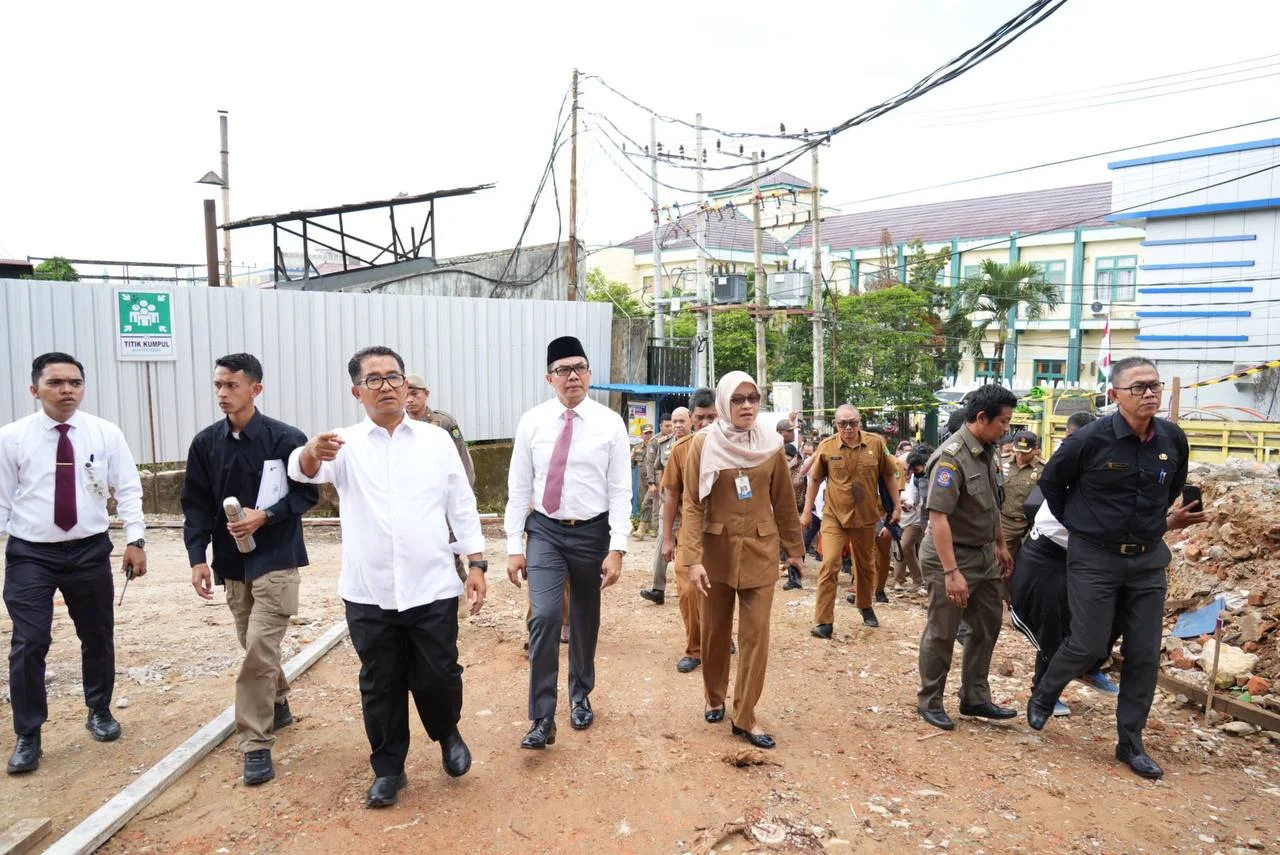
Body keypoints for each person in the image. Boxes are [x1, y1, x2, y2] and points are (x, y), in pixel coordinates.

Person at [288, 346, 486, 808]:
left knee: (438, 674)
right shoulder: (343, 444)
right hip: (368, 591)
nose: (386, 386)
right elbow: (302, 472)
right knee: (380, 682)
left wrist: (476, 563)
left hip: (432, 584)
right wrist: (311, 452)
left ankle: (447, 734)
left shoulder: (436, 441)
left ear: (406, 385)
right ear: (357, 391)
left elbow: (461, 505)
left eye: (393, 376)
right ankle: (389, 767)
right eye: (373, 379)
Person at [1028, 358, 1204, 780]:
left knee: (1143, 654)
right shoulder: (1089, 440)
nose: (1150, 394)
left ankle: (1130, 742)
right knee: (1088, 644)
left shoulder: (1172, 438)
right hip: (1095, 558)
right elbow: (1051, 486)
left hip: (1146, 560)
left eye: (1155, 386)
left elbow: (1173, 484)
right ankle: (1045, 693)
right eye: (1139, 387)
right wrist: (1084, 526)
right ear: (1115, 395)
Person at [1, 352, 147, 775]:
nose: (67, 390)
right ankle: (29, 733)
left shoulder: (104, 433)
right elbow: (2, 500)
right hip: (32, 552)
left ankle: (99, 709)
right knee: (29, 642)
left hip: (89, 549)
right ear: (35, 390)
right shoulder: (12, 438)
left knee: (98, 633)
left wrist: (135, 540)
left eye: (75, 382)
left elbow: (129, 488)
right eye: (56, 383)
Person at [182, 353, 318, 786]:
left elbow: (307, 496)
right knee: (250, 641)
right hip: (231, 561)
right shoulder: (206, 444)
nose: (223, 393)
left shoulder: (284, 439)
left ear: (255, 389)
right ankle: (277, 699)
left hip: (277, 556)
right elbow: (196, 506)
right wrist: (196, 558)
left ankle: (255, 744)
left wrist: (268, 515)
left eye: (232, 385)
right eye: (218, 385)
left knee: (259, 647)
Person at [505, 336, 630, 750]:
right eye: (563, 369)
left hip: (592, 533)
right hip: (545, 530)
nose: (572, 375)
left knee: (583, 618)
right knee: (543, 617)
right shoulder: (532, 422)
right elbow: (519, 486)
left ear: (590, 373)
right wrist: (513, 545)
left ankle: (580, 695)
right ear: (549, 378)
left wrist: (617, 547)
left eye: (579, 367)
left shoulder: (610, 423)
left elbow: (619, 490)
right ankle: (542, 716)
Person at [683, 372, 803, 749]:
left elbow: (784, 500)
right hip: (715, 555)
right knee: (716, 633)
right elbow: (691, 505)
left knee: (755, 637)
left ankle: (745, 714)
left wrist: (795, 549)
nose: (747, 405)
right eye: (738, 399)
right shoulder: (702, 445)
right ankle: (714, 696)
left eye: (753, 397)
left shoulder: (771, 444)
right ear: (723, 404)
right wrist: (692, 558)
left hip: (760, 551)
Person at [916, 384, 1018, 731]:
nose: (1007, 429)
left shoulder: (989, 450)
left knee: (987, 625)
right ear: (981, 418)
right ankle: (930, 700)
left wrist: (1001, 544)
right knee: (943, 631)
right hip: (951, 555)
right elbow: (938, 517)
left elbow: (992, 503)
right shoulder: (951, 457)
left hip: (985, 554)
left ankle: (975, 696)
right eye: (1003, 422)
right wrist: (951, 572)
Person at [802, 405, 899, 637]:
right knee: (829, 564)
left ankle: (865, 606)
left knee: (865, 566)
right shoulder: (827, 447)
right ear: (836, 424)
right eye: (842, 423)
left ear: (859, 422)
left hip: (866, 516)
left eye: (852, 423)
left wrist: (896, 506)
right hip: (835, 515)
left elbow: (888, 475)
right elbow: (814, 480)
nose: (847, 428)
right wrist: (806, 511)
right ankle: (824, 622)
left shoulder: (876, 444)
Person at [660, 388, 716, 673]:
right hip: (690, 534)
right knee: (687, 593)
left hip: (723, 537)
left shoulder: (736, 447)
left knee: (718, 593)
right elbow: (671, 496)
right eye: (700, 418)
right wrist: (667, 538)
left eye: (712, 417)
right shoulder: (681, 450)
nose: (706, 423)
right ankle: (695, 649)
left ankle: (718, 639)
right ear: (692, 419)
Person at [641, 407, 689, 605]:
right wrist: (657, 489)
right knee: (663, 542)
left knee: (690, 546)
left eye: (681, 421)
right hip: (668, 503)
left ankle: (688, 587)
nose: (677, 426)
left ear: (691, 421)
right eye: (674, 422)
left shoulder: (698, 443)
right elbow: (657, 468)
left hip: (690, 506)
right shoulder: (663, 444)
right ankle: (657, 588)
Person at [405, 373, 476, 486]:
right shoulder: (398, 425)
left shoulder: (443, 422)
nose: (409, 400)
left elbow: (461, 457)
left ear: (426, 394)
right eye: (405, 395)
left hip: (440, 486)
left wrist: (466, 489)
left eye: (414, 394)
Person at [1000, 430, 1044, 561]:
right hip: (1006, 522)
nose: (1020, 455)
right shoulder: (1002, 463)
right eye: (1017, 451)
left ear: (1035, 450)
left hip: (1031, 524)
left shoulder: (1043, 468)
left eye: (1025, 452)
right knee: (1002, 563)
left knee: (1027, 563)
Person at [892, 446, 931, 590]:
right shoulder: (916, 477)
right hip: (917, 520)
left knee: (903, 549)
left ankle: (912, 581)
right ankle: (918, 580)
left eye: (915, 470)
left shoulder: (936, 474)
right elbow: (915, 497)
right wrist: (908, 504)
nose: (909, 473)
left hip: (922, 521)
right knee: (907, 551)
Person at [632, 424, 655, 540]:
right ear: (641, 435)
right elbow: (629, 465)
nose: (648, 435)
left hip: (654, 481)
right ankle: (650, 528)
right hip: (642, 482)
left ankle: (641, 530)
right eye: (646, 433)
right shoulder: (636, 448)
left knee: (647, 503)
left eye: (650, 433)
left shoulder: (657, 446)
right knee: (645, 503)